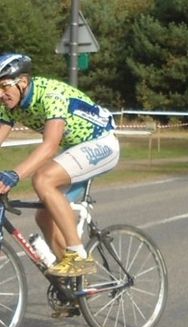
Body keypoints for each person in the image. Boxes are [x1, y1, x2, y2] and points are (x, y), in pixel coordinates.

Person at [0, 53, 120, 277]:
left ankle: (77, 255)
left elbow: (49, 146)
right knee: (43, 216)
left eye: (4, 86)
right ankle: (73, 286)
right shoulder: (7, 104)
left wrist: (14, 175)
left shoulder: (51, 94)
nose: (0, 94)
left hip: (102, 143)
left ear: (23, 82)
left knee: (43, 179)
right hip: (76, 150)